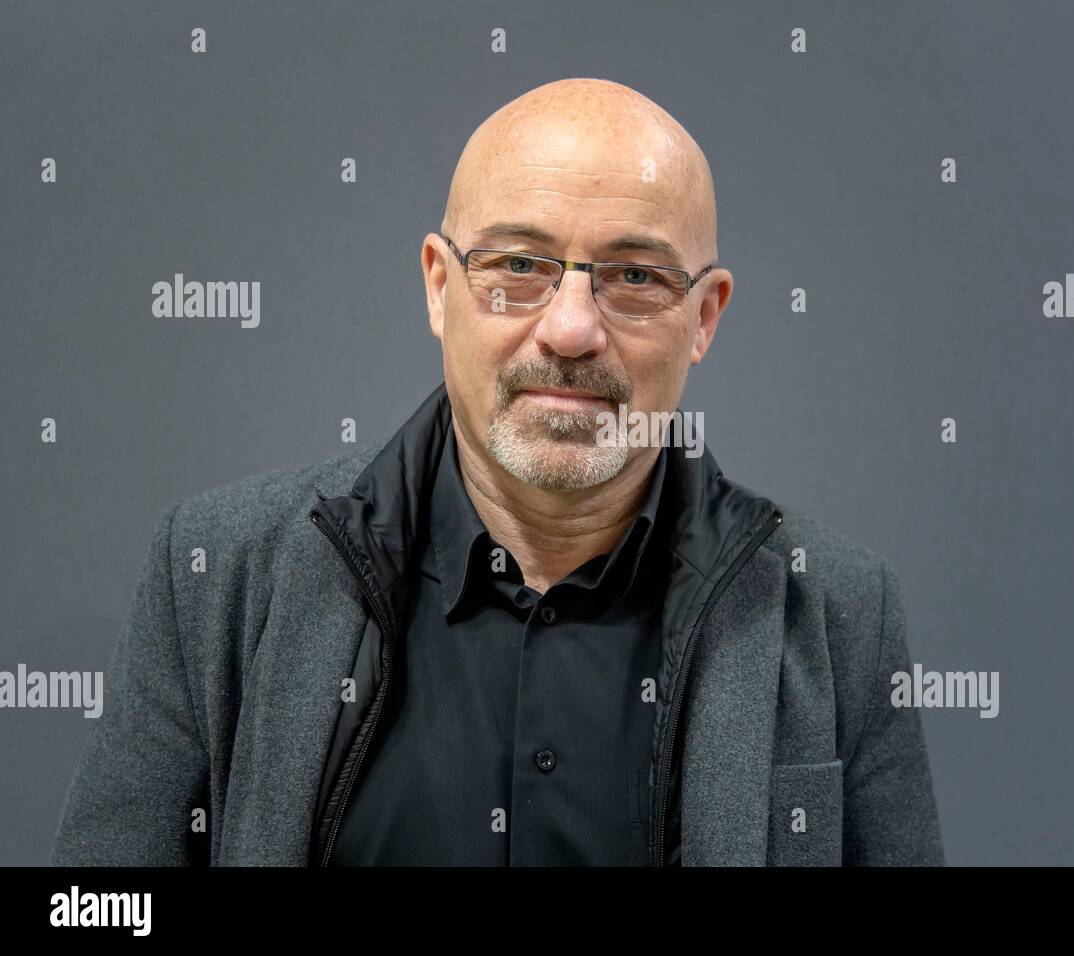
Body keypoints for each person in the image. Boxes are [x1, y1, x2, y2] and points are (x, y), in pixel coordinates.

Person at [52, 77, 943, 866]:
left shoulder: (838, 613)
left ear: (704, 315)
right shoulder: (214, 577)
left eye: (634, 275)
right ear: (441, 287)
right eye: (519, 266)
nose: (570, 328)